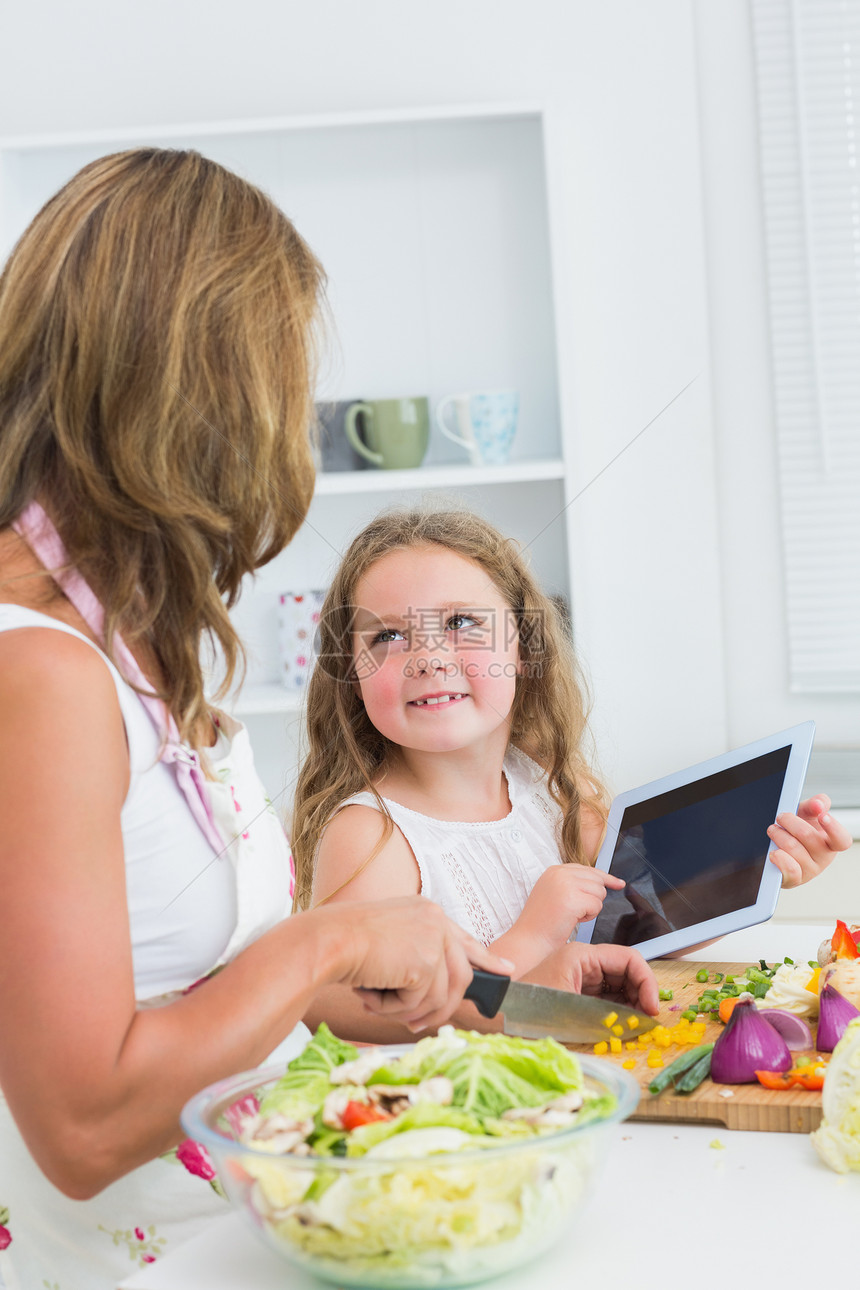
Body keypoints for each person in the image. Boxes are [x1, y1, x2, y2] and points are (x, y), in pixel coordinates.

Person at [0, 150, 516, 1288]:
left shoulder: (116, 636)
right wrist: (331, 936)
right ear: (203, 395)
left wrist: (423, 972)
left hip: (244, 1235)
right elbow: (82, 1128)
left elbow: (195, 988)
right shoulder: (36, 675)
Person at [292, 506, 853, 1041]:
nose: (428, 657)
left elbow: (643, 930)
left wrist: (763, 871)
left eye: (461, 621)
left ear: (524, 650)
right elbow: (350, 1011)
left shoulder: (551, 789)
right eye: (387, 636)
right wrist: (533, 936)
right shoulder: (372, 835)